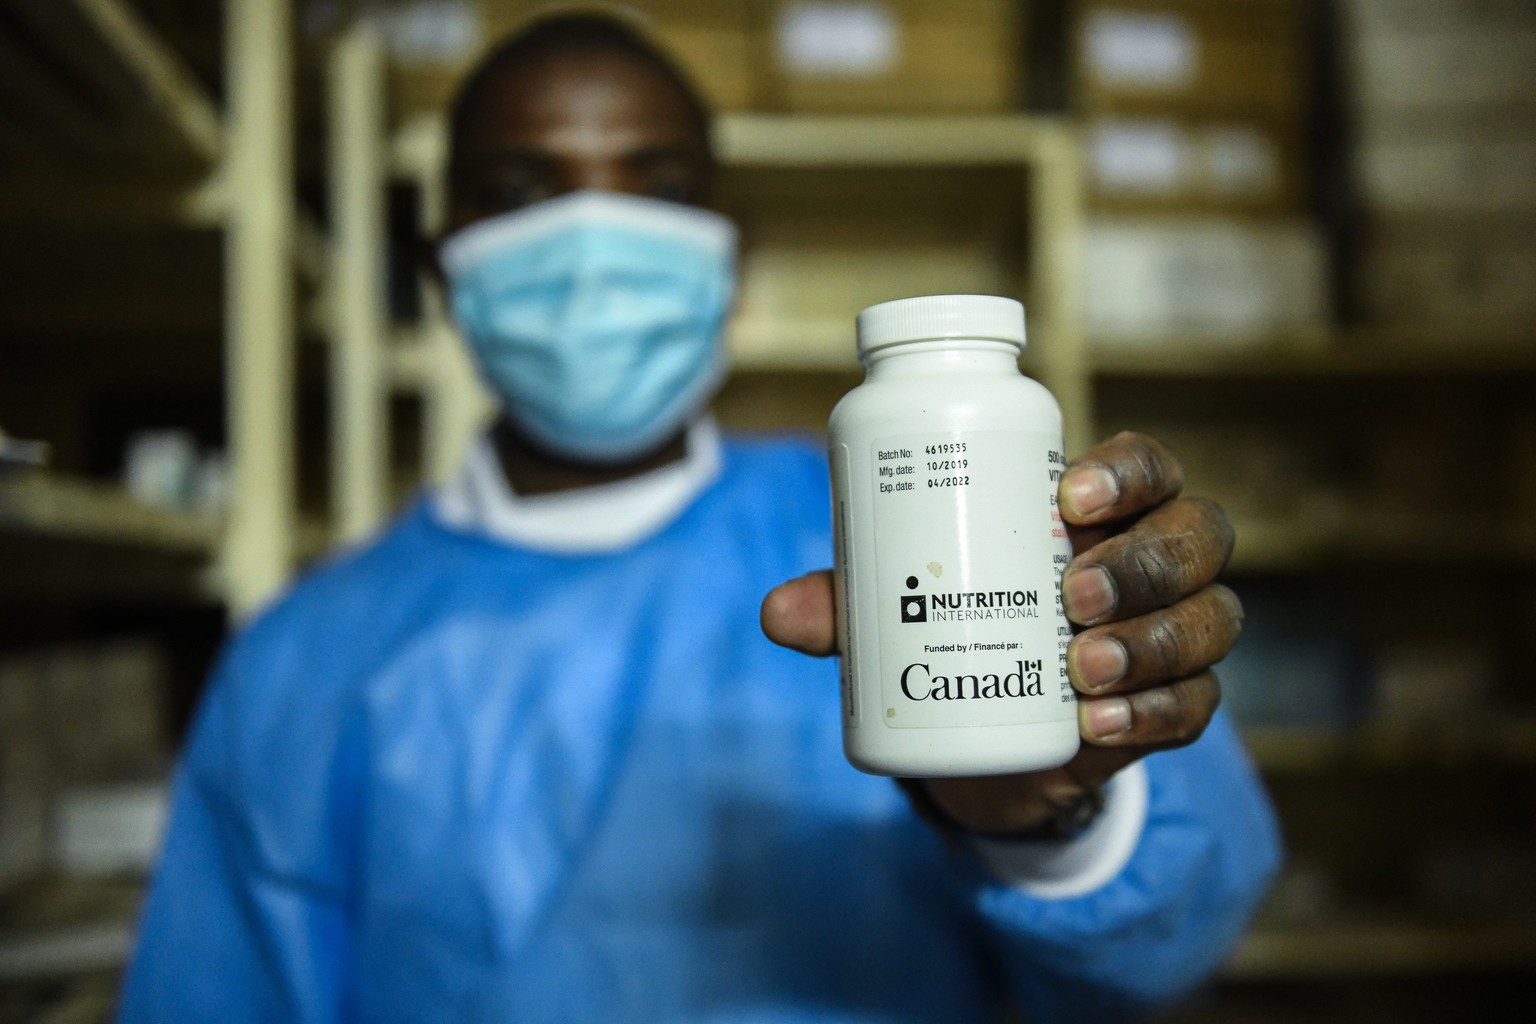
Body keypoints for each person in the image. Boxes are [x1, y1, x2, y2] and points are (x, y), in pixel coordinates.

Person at [119, 11, 1280, 1023]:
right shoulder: (301, 660)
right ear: (443, 265)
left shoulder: (909, 534)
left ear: (730, 261)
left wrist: (1051, 819)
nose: (593, 244)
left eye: (658, 186)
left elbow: (1164, 955)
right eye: (523, 191)